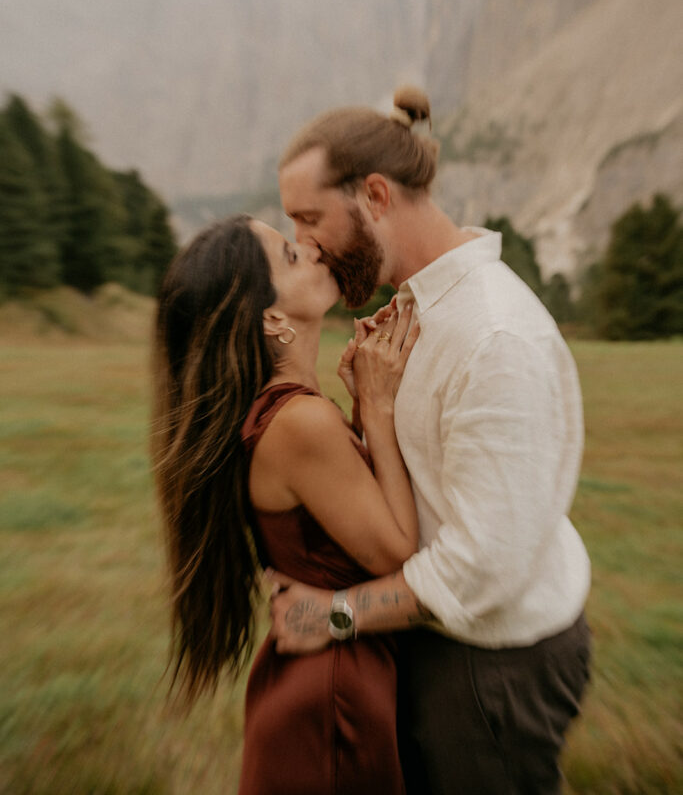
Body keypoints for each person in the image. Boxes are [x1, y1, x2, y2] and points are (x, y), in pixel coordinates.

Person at [269, 85, 592, 795]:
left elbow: (481, 566)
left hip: (492, 667)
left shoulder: (492, 336)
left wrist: (336, 616)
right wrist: (369, 414)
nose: (305, 244)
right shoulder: (418, 310)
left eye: (310, 218)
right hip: (440, 643)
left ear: (376, 196)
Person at [150, 213, 421, 795]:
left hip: (319, 678)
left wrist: (358, 410)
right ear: (272, 317)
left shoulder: (288, 410)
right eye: (292, 256)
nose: (314, 248)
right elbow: (397, 551)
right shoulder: (299, 421)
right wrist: (376, 409)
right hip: (332, 696)